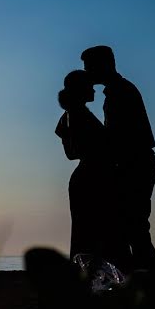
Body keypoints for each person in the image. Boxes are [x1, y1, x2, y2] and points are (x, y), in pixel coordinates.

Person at [81, 46, 155, 270]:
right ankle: (149, 275)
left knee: (134, 226)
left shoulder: (121, 92)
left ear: (103, 65)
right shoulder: (118, 91)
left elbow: (120, 136)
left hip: (135, 164)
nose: (87, 72)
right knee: (133, 226)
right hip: (135, 163)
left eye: (89, 67)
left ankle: (152, 276)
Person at [55, 70, 131, 271]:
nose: (94, 91)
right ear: (80, 89)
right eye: (90, 87)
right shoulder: (79, 115)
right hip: (94, 178)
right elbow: (101, 147)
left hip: (88, 176)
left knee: (86, 235)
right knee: (100, 235)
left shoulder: (69, 116)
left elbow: (71, 153)